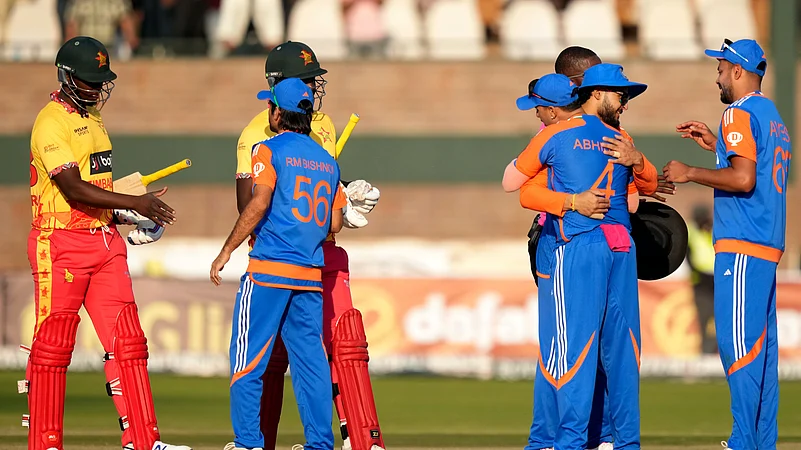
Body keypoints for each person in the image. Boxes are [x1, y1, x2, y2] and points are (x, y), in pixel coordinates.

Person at [24, 36, 190, 450]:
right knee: (53, 346)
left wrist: (125, 214)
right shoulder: (51, 122)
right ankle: (44, 443)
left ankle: (144, 441)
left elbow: (96, 189)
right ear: (64, 77)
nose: (98, 89)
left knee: (129, 342)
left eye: (101, 81)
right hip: (59, 243)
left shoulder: (93, 118)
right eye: (88, 81)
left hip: (104, 241)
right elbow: (72, 187)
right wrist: (136, 201)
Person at [234, 40, 385, 450]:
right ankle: (260, 441)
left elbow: (323, 180)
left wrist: (347, 192)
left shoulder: (323, 124)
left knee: (341, 345)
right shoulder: (254, 134)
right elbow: (250, 202)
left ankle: (362, 440)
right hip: (284, 253)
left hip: (319, 252)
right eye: (306, 81)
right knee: (278, 361)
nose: (314, 88)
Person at [508, 64, 649, 450]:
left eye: (538, 107)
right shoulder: (621, 137)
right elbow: (643, 191)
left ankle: (556, 441)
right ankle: (616, 441)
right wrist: (635, 163)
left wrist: (572, 201)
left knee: (567, 348)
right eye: (621, 94)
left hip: (569, 245)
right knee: (621, 349)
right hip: (619, 244)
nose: (623, 102)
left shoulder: (556, 135)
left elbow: (516, 188)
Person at [664, 38, 788, 450]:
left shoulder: (737, 113)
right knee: (762, 353)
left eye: (721, 68)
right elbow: (755, 165)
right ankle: (761, 442)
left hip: (742, 243)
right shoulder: (771, 114)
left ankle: (743, 441)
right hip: (767, 242)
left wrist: (689, 172)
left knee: (738, 349)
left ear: (738, 71)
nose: (716, 74)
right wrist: (716, 147)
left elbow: (743, 179)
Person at [211, 77, 347, 450]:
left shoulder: (267, 150)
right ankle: (321, 444)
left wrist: (227, 250)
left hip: (269, 269)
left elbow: (258, 203)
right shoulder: (328, 161)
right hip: (309, 275)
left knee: (247, 359)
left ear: (276, 112)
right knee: (310, 365)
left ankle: (248, 442)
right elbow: (335, 223)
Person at [687, 204, 716, 355]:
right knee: (705, 319)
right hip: (701, 283)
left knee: (718, 321)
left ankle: (714, 353)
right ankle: (706, 354)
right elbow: (690, 258)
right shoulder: (691, 231)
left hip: (718, 281)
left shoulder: (711, 230)